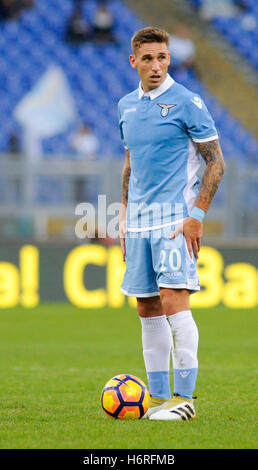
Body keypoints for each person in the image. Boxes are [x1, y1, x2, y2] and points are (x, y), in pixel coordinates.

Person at [118, 27, 225, 421]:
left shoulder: (187, 102)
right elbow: (131, 165)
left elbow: (216, 161)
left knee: (174, 300)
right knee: (147, 307)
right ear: (134, 62)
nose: (157, 65)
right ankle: (159, 399)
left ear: (170, 59)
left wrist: (196, 216)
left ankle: (185, 400)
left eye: (162, 57)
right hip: (140, 223)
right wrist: (125, 216)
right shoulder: (126, 106)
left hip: (174, 221)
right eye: (147, 58)